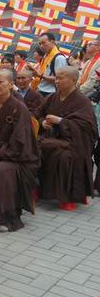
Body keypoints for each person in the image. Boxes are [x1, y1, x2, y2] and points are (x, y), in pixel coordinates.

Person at [0, 69, 39, 232]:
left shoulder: (19, 109)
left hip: (16, 157)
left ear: (11, 85)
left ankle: (4, 217)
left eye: (0, 82)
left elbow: (20, 141)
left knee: (1, 172)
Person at [36, 66, 98, 210]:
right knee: (36, 146)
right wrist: (42, 122)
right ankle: (39, 190)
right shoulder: (52, 97)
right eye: (56, 78)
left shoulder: (82, 101)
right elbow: (37, 113)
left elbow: (88, 128)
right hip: (50, 137)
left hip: (73, 143)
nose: (57, 81)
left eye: (61, 78)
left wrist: (61, 121)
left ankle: (66, 197)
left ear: (73, 80)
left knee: (63, 156)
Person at [28, 33, 67, 97]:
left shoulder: (59, 58)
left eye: (43, 43)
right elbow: (43, 74)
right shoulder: (45, 56)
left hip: (51, 93)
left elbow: (60, 79)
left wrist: (40, 75)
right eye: (40, 44)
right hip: (41, 89)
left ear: (52, 42)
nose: (41, 46)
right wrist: (34, 72)